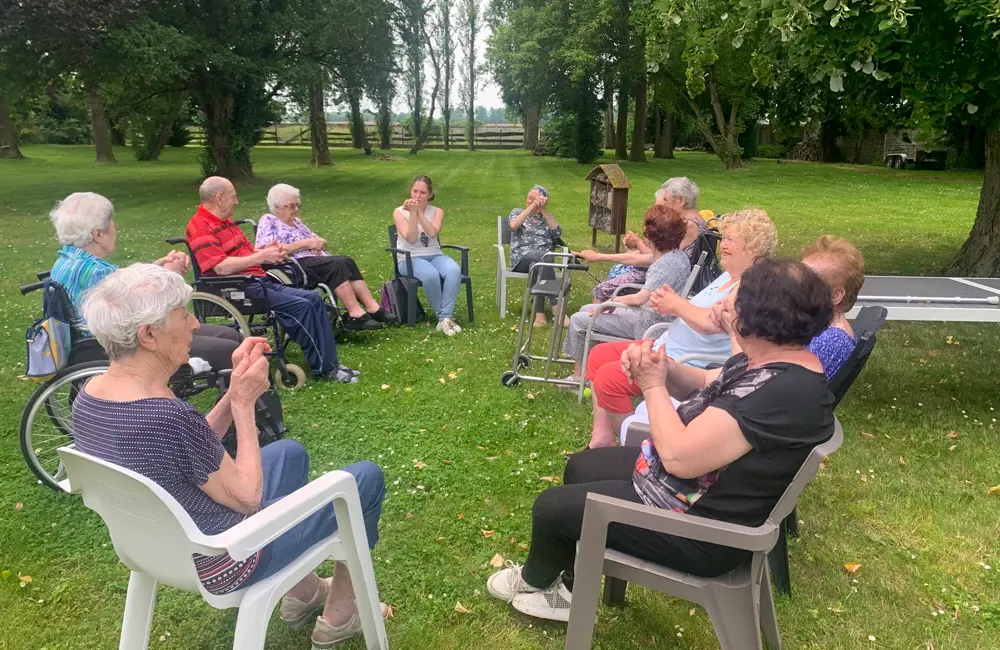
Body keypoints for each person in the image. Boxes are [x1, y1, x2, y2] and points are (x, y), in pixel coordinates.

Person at [486, 258, 835, 622]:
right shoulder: (773, 360)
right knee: (582, 466)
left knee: (552, 507)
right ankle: (571, 584)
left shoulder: (778, 393)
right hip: (695, 497)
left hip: (704, 532)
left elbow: (678, 459)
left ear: (758, 319)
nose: (724, 305)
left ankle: (538, 584)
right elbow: (705, 383)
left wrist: (651, 384)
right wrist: (664, 369)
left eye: (735, 301)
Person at [71, 264, 386, 648]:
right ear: (148, 335)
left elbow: (187, 445)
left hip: (153, 547)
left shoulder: (91, 396)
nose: (194, 324)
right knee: (362, 480)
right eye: (183, 315)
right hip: (226, 559)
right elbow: (248, 497)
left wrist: (233, 391)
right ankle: (341, 616)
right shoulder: (165, 416)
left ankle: (303, 595)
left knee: (288, 453)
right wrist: (243, 404)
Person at [584, 209, 778, 448]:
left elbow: (712, 324)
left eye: (731, 239)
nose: (723, 245)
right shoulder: (728, 276)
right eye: (724, 238)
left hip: (689, 362)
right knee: (598, 355)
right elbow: (700, 311)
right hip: (666, 345)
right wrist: (675, 302)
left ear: (754, 247)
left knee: (610, 378)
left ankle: (636, 448)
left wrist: (676, 305)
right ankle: (602, 438)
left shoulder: (748, 285)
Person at [186, 177, 359, 383]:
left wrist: (267, 252)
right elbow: (220, 267)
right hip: (237, 287)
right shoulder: (201, 227)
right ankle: (326, 369)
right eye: (233, 197)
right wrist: (260, 257)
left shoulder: (226, 223)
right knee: (302, 306)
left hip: (257, 280)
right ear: (219, 198)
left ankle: (330, 363)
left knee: (313, 299)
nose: (237, 201)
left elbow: (248, 253)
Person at [48, 191, 240, 371]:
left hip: (99, 342)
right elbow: (141, 309)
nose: (115, 228)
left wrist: (158, 267)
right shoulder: (95, 272)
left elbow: (126, 283)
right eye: (111, 222)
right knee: (229, 349)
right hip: (128, 347)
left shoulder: (69, 261)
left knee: (228, 335)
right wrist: (169, 275)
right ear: (98, 234)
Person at [560, 204, 692, 385]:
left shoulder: (664, 265)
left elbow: (639, 299)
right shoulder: (675, 255)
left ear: (652, 234)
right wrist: (599, 257)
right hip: (652, 317)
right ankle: (590, 367)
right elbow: (634, 259)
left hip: (648, 324)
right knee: (586, 309)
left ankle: (578, 379)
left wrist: (611, 301)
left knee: (578, 320)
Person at [712, 235, 864, 379]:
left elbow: (754, 381)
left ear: (836, 295)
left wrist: (735, 331)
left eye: (807, 282)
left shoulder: (829, 341)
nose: (794, 284)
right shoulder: (813, 328)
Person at [256, 183, 397, 332]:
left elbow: (321, 241)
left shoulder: (296, 222)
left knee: (346, 261)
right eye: (291, 206)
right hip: (292, 266)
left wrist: (318, 243)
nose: (296, 209)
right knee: (336, 264)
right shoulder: (269, 220)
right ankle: (355, 314)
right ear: (277, 207)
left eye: (297, 205)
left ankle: (372, 307)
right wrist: (305, 244)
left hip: (313, 261)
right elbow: (269, 251)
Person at [575, 177, 710, 303]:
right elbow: (659, 254)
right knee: (617, 273)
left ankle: (594, 317)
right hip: (670, 275)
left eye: (665, 200)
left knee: (602, 290)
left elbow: (657, 259)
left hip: (666, 279)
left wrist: (599, 256)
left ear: (681, 201)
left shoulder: (688, 225)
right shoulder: (694, 221)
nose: (662, 205)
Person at [393, 175, 464, 336]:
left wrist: (419, 212)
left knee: (454, 271)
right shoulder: (399, 212)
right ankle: (444, 318)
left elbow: (432, 233)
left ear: (430, 194)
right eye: (415, 191)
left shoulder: (437, 211)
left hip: (434, 254)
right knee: (430, 274)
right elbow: (411, 238)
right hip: (409, 258)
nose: (417, 196)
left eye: (423, 193)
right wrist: (412, 213)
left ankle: (444, 318)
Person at [508, 185, 564, 327]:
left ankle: (539, 315)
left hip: (543, 261)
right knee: (542, 258)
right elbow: (513, 226)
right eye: (529, 198)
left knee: (538, 265)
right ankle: (557, 307)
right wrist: (531, 207)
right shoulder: (517, 212)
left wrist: (543, 210)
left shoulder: (547, 217)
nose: (530, 201)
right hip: (522, 258)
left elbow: (557, 233)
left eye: (535, 199)